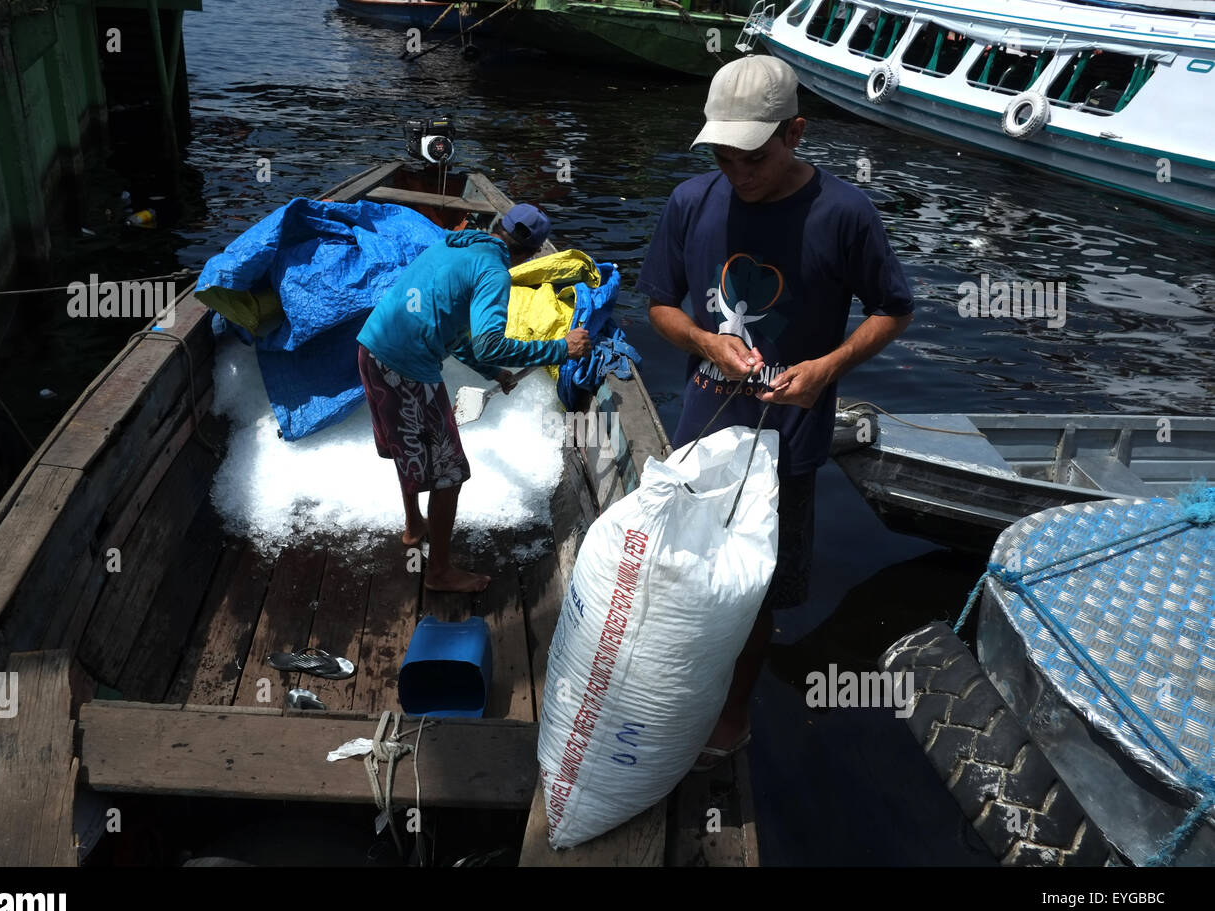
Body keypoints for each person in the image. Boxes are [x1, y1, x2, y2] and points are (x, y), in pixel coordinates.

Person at [636, 55, 915, 769]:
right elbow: (661, 304)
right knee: (685, 569)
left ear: (795, 132)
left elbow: (893, 308)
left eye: (751, 156)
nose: (736, 172)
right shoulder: (691, 203)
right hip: (700, 432)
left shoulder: (843, 213)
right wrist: (704, 340)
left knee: (757, 589)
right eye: (721, 156)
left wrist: (827, 368)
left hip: (785, 446)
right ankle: (678, 685)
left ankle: (733, 717)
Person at [357, 204, 592, 593]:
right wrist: (559, 349)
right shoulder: (494, 272)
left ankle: (415, 527)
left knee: (406, 447)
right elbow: (489, 343)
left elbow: (451, 327)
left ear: (498, 227)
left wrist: (491, 373)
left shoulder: (451, 245)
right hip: (406, 369)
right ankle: (439, 573)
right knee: (450, 474)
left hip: (370, 349)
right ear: (531, 253)